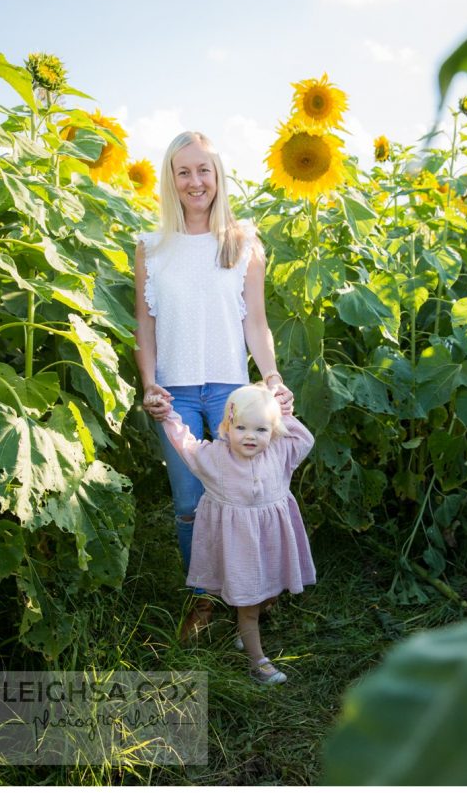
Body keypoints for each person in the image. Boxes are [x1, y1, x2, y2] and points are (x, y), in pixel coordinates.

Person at [134, 130, 295, 641]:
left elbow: (256, 323)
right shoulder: (151, 247)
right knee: (188, 505)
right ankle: (203, 597)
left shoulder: (243, 243)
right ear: (171, 179)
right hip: (175, 393)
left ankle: (254, 588)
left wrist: (270, 378)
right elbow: (146, 325)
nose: (195, 181)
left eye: (204, 170)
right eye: (183, 171)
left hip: (232, 391)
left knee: (248, 493)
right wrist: (149, 384)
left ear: (218, 176)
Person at [159, 383, 316, 684]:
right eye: (241, 427)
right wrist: (169, 416)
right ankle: (257, 662)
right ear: (227, 426)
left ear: (273, 430)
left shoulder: (280, 451)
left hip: (270, 544)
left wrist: (284, 412)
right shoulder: (216, 458)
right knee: (248, 606)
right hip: (239, 550)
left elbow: (304, 438)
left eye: (260, 429)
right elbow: (185, 444)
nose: (249, 436)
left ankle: (247, 631)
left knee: (267, 593)